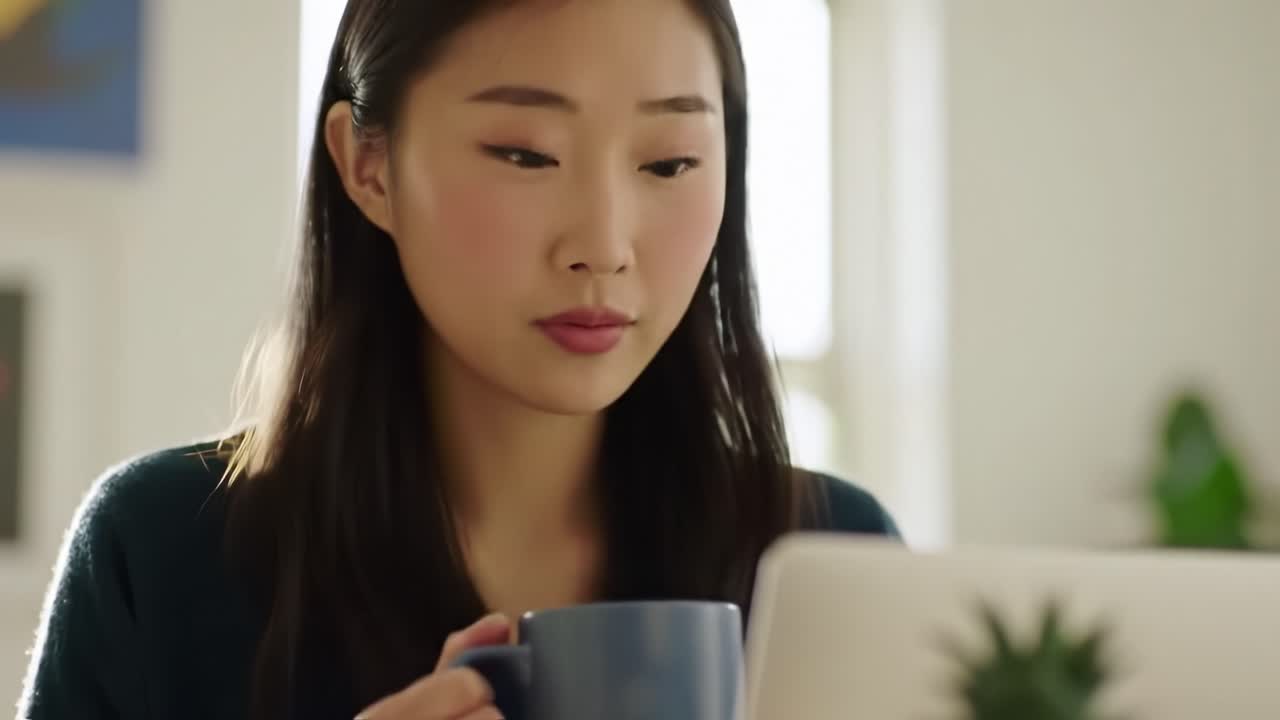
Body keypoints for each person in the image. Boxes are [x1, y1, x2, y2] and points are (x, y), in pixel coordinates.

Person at [18, 1, 900, 718]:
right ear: (368, 165)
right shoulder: (163, 555)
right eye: (525, 154)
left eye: (670, 163)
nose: (603, 244)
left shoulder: (832, 559)